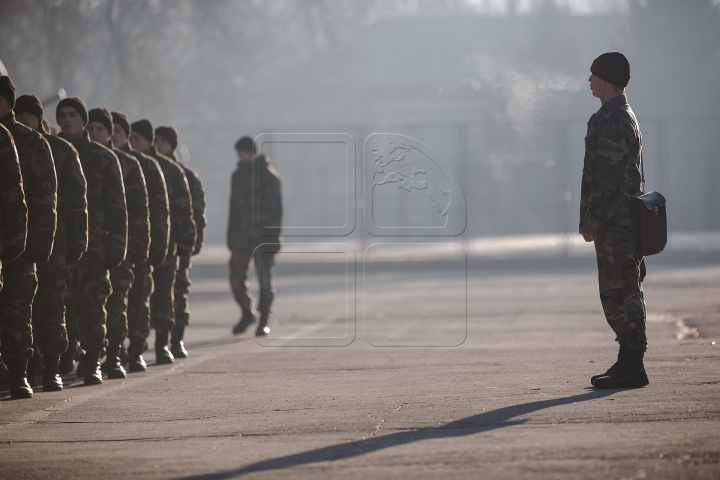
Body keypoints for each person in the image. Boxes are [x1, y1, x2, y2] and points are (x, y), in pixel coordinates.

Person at [579, 52, 648, 389]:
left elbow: (607, 178)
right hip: (619, 222)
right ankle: (629, 362)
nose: (589, 81)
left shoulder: (613, 120)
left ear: (605, 80)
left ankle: (633, 365)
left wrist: (592, 219)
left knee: (621, 293)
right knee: (621, 291)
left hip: (616, 224)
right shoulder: (617, 115)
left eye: (594, 76)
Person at [15, 94, 88, 391]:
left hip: (55, 244)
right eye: (18, 113)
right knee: (20, 307)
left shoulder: (59, 150)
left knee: (53, 304)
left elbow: (76, 202)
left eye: (28, 114)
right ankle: (25, 367)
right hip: (16, 243)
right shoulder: (10, 144)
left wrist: (77, 243)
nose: (23, 119)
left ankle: (53, 367)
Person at [57, 97, 127, 386]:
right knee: (61, 306)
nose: (67, 120)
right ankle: (61, 356)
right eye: (62, 115)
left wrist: (117, 247)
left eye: (73, 115)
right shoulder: (51, 151)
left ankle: (93, 359)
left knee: (93, 306)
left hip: (94, 248)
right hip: (58, 245)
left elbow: (117, 207)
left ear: (83, 120)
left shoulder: (103, 157)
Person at [0, 76, 57, 399]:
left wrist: (38, 243)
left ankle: (21, 372)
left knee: (18, 310)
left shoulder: (29, 140)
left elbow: (43, 197)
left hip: (20, 243)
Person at [87, 108, 149, 379]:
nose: (94, 134)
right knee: (87, 304)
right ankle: (88, 355)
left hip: (120, 246)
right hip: (86, 245)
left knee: (117, 304)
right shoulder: (77, 157)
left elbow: (139, 210)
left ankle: (115, 355)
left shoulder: (127, 164)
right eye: (91, 129)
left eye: (100, 129)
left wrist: (140, 246)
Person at [129, 119, 195, 364]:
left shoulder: (172, 170)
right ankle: (135, 345)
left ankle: (165, 342)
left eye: (139, 139)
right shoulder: (126, 164)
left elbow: (184, 211)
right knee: (138, 296)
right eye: (131, 138)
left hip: (168, 245)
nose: (134, 143)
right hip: (137, 244)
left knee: (168, 294)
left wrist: (186, 245)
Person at [112, 112, 169, 372]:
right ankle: (111, 351)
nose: (114, 136)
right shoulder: (96, 159)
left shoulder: (143, 165)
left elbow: (157, 210)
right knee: (111, 302)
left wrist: (156, 246)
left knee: (138, 300)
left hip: (138, 246)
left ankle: (136, 350)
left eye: (121, 133)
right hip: (109, 245)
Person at [154, 126, 206, 358]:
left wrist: (192, 243)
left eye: (163, 142)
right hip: (156, 243)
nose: (158, 145)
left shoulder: (186, 174)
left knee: (178, 291)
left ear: (172, 145)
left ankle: (176, 340)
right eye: (155, 141)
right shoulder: (149, 168)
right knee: (156, 294)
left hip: (179, 243)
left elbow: (197, 213)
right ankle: (160, 340)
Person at [228, 136, 281, 337]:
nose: (239, 157)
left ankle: (264, 319)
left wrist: (273, 239)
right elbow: (233, 209)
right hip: (241, 238)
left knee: (265, 281)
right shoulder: (238, 176)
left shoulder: (268, 176)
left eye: (241, 152)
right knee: (236, 277)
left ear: (250, 152)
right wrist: (231, 236)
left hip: (263, 238)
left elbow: (276, 212)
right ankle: (246, 313)